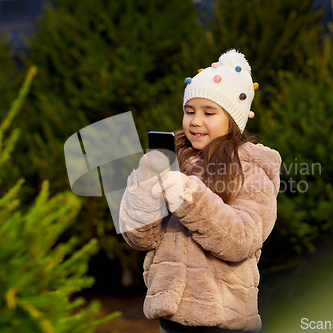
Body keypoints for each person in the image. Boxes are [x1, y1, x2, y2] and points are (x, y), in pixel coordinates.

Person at [118, 49, 282, 332]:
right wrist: (143, 187)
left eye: (209, 112)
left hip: (225, 322)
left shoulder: (252, 169)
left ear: (233, 119)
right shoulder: (174, 162)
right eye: (189, 111)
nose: (195, 121)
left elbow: (241, 239)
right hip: (171, 320)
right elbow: (140, 239)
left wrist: (187, 195)